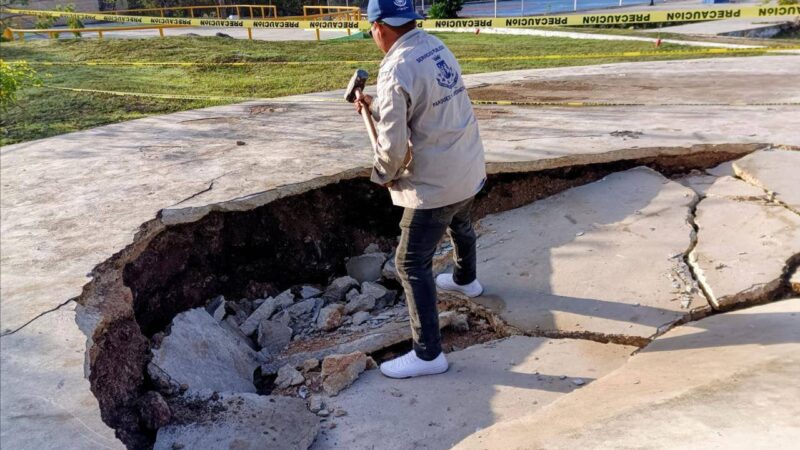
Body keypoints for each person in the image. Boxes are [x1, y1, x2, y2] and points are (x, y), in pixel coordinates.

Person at [354, 0, 486, 379]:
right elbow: (426, 106)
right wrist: (375, 108)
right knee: (460, 222)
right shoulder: (435, 45)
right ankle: (466, 280)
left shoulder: (395, 68)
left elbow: (393, 148)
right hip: (468, 166)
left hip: (436, 184)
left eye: (372, 31)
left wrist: (383, 174)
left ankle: (428, 354)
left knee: (409, 263)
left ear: (378, 27)